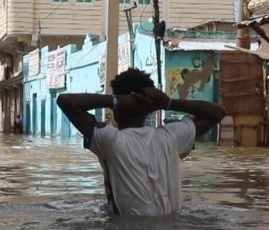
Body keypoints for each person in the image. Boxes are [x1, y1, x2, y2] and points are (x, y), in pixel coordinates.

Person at [57, 68, 226, 216]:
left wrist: (117, 101)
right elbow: (217, 113)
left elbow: (65, 101)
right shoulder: (170, 137)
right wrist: (168, 103)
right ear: (149, 109)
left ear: (116, 107)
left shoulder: (109, 140)